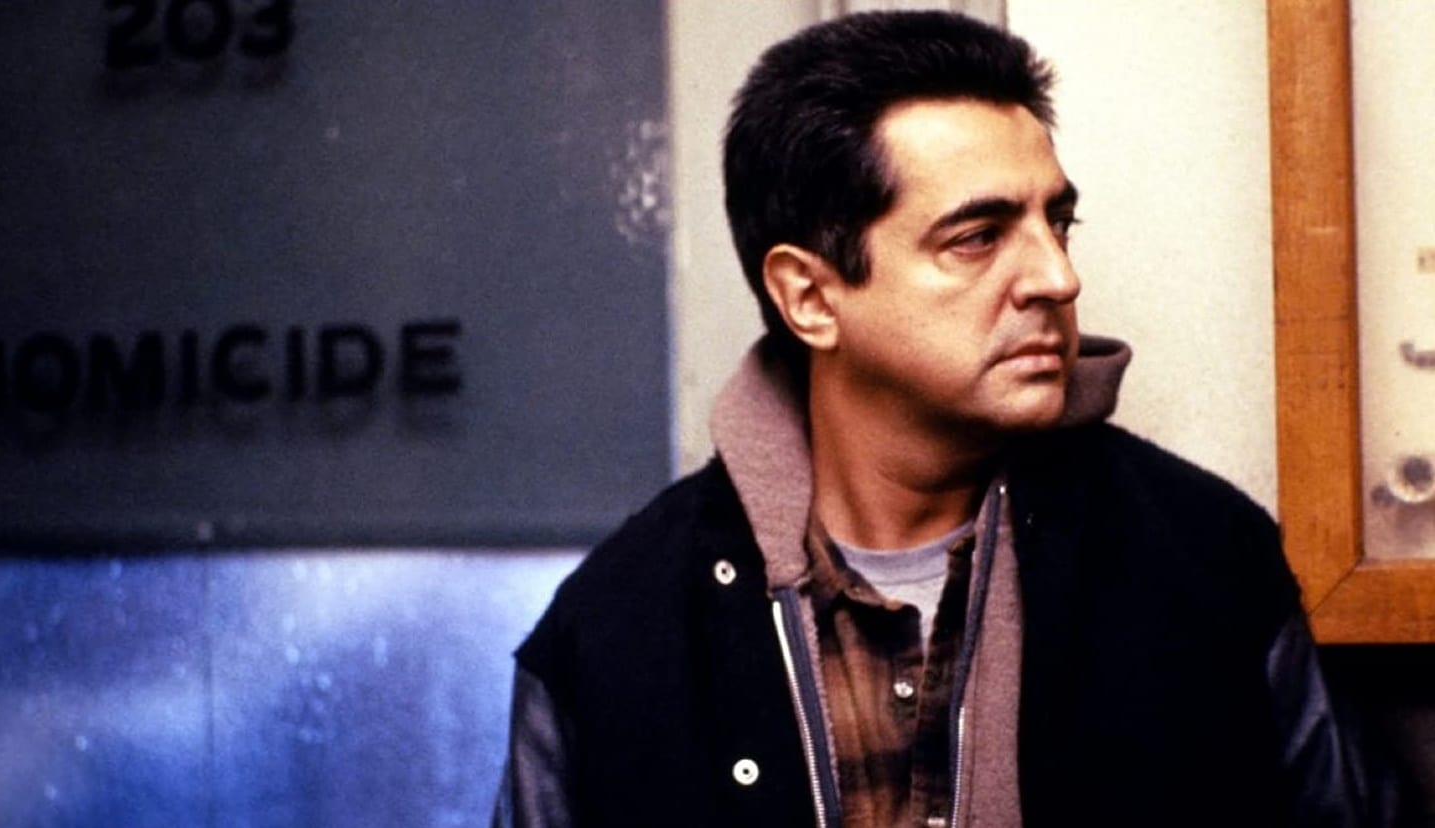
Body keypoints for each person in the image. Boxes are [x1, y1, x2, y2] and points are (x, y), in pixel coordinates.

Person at [493, 10, 1405, 827]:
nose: (1056, 277)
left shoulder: (1201, 558)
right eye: (977, 237)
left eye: (1057, 224)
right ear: (809, 296)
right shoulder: (618, 629)